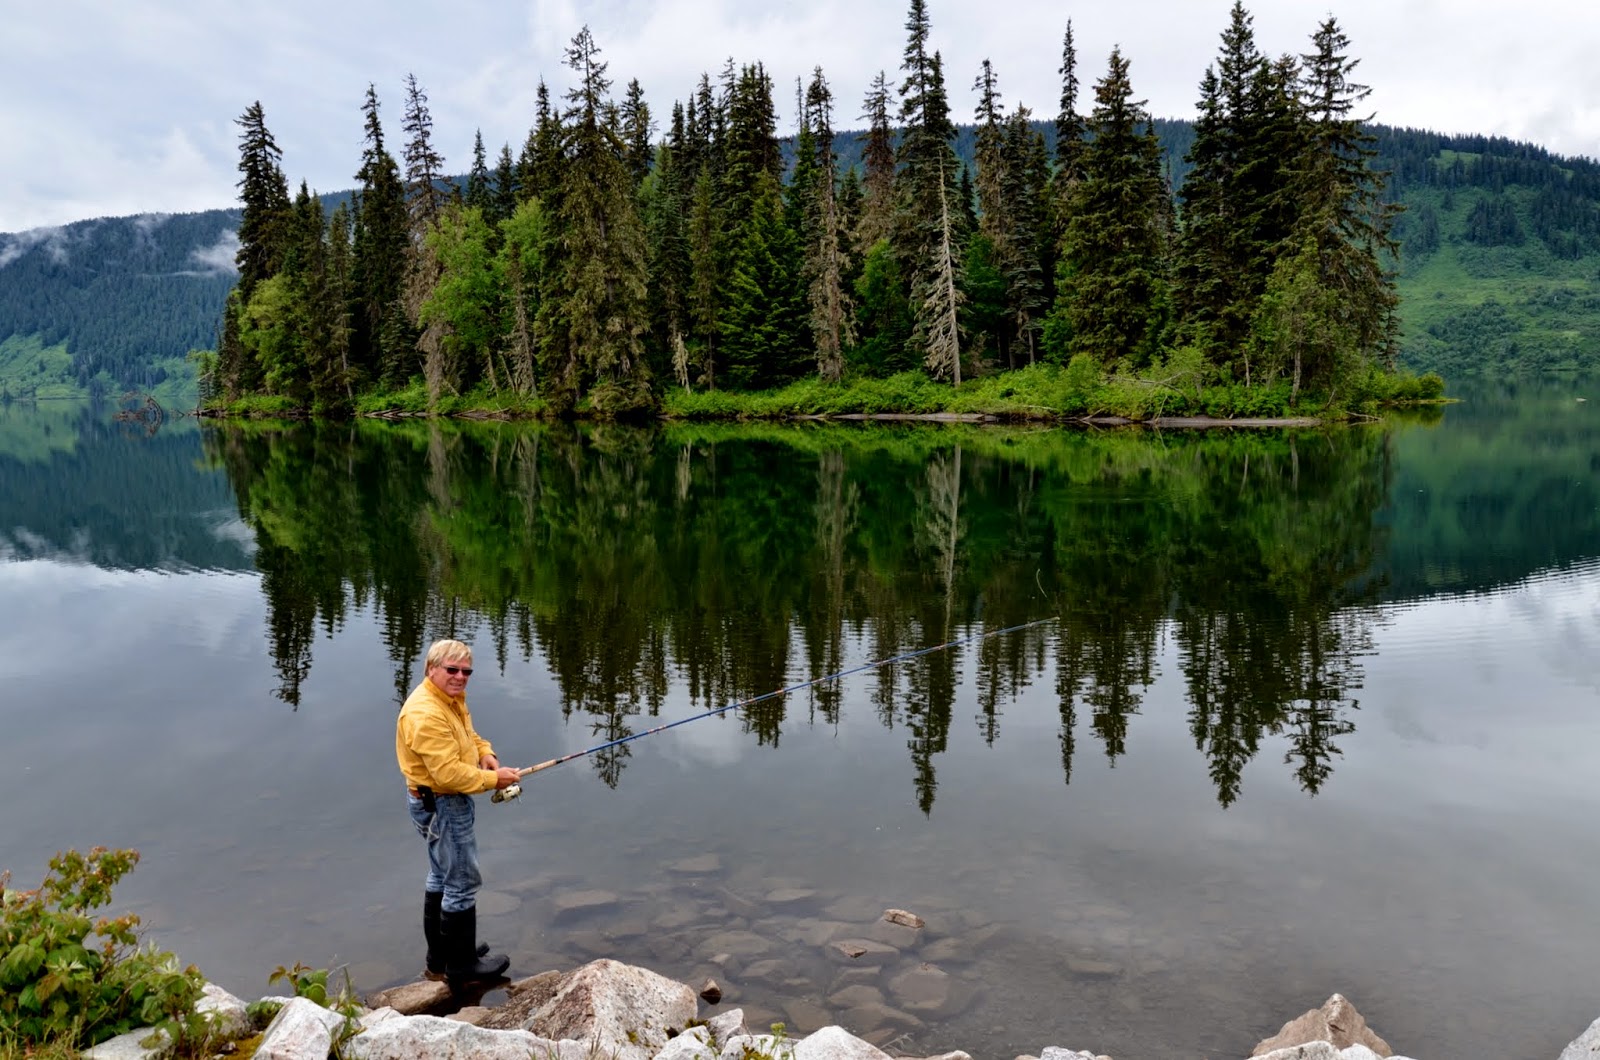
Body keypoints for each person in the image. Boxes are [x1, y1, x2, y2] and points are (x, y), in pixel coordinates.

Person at [396, 638, 520, 986]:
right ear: (431, 669)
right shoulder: (425, 713)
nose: (460, 676)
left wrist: (486, 754)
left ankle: (442, 956)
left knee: (441, 877)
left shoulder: (448, 700)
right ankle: (462, 967)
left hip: (437, 801)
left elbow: (468, 736)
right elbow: (447, 774)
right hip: (443, 802)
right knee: (463, 881)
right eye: (452, 670)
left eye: (466, 671)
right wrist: (495, 779)